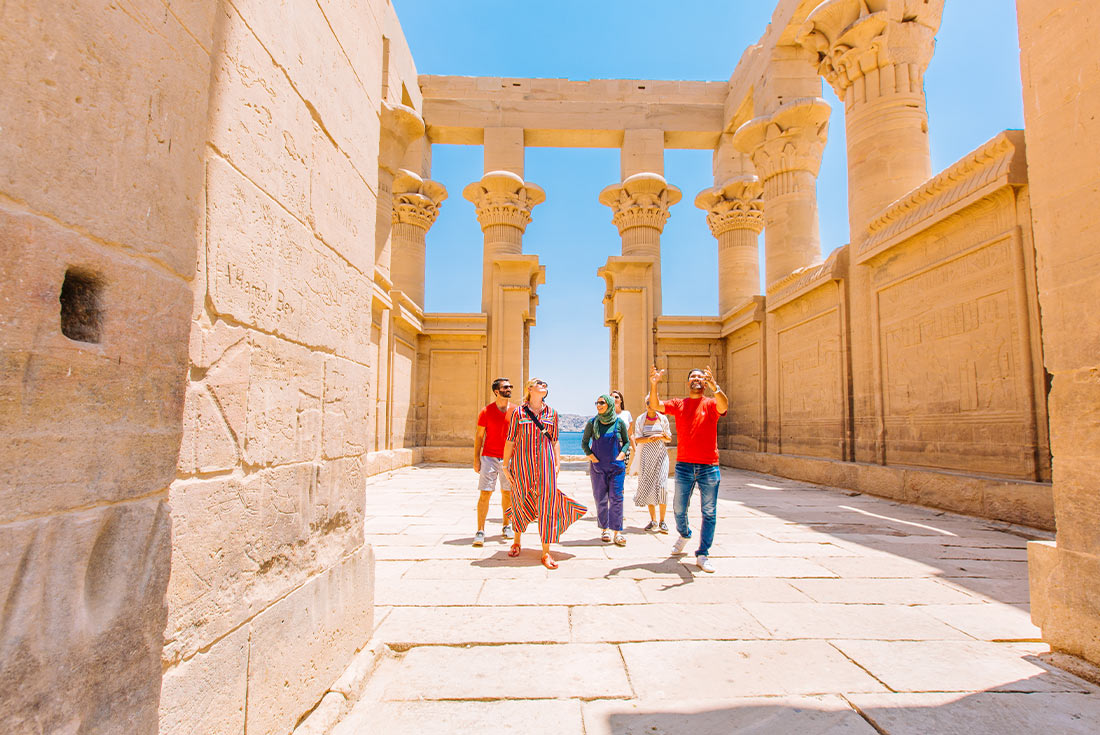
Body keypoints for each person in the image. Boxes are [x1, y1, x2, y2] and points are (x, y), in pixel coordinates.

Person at [647, 365, 728, 572]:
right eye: (693, 376)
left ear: (704, 382)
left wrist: (714, 386)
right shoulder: (679, 404)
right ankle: (684, 534)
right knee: (679, 508)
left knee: (709, 511)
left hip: (709, 466)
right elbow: (655, 405)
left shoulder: (711, 404)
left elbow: (724, 405)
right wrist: (654, 384)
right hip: (684, 465)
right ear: (688, 382)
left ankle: (703, 553)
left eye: (700, 376)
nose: (697, 378)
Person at [502, 377, 587, 569]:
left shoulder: (552, 413)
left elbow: (555, 439)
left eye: (545, 385)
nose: (544, 385)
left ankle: (545, 551)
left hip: (546, 464)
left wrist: (558, 462)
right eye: (539, 383)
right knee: (519, 499)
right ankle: (516, 541)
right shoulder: (518, 412)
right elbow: (510, 440)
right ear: (530, 388)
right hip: (522, 464)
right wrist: (505, 465)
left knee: (547, 503)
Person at [582, 394, 631, 546]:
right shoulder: (592, 422)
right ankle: (604, 529)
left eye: (602, 402)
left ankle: (618, 533)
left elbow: (626, 442)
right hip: (598, 468)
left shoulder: (619, 422)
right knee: (601, 499)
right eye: (597, 402)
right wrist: (593, 458)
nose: (599, 405)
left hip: (616, 467)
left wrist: (621, 454)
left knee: (616, 498)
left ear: (609, 404)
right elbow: (584, 443)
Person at [472, 377, 516, 547]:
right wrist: (476, 459)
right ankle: (480, 530)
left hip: (509, 458)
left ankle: (507, 525)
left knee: (507, 493)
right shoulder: (486, 411)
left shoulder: (516, 411)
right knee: (485, 493)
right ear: (496, 391)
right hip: (489, 457)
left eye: (510, 386)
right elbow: (479, 436)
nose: (509, 389)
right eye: (505, 387)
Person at [632, 407, 671, 532]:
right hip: (647, 455)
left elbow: (668, 437)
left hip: (661, 455)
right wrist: (650, 438)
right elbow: (637, 438)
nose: (651, 405)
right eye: (648, 402)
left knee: (662, 486)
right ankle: (653, 520)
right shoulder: (641, 419)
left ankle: (662, 521)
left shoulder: (662, 418)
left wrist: (660, 436)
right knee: (649, 486)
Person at [610, 389, 637, 477]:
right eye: (611, 397)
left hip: (624, 448)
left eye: (616, 397)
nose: (614, 399)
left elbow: (630, 434)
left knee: (621, 474)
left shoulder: (627, 414)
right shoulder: (607, 415)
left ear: (621, 400)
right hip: (610, 446)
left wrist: (636, 451)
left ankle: (620, 491)